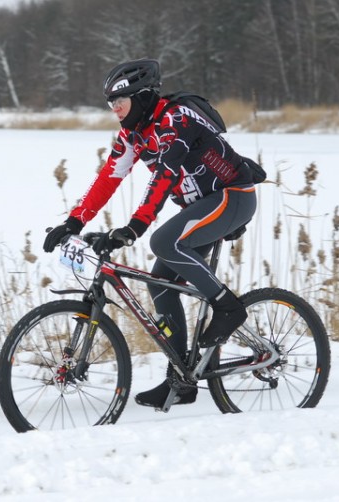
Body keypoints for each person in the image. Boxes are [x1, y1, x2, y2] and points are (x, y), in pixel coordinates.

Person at [43, 58, 259, 408]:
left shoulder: (176, 120)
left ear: (141, 97)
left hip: (232, 197)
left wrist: (134, 227)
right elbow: (108, 177)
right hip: (202, 207)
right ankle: (181, 381)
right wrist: (74, 222)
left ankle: (228, 309)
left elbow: (166, 175)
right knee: (160, 282)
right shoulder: (134, 133)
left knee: (163, 242)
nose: (114, 110)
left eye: (119, 102)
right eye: (111, 104)